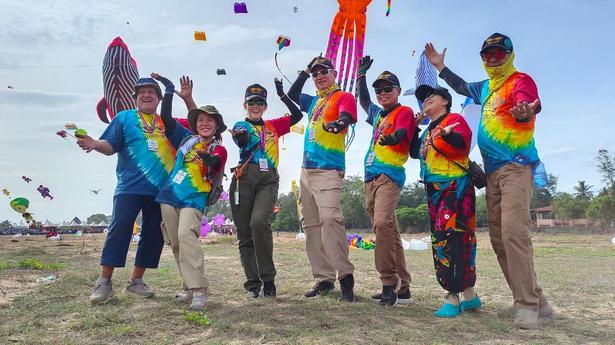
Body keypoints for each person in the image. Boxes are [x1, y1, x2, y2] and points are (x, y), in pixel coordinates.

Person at [425, 33, 552, 328]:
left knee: (513, 234)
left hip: (516, 167)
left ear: (510, 54)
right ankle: (539, 301)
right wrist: (440, 67)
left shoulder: (520, 80)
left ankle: (527, 306)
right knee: (498, 239)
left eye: (498, 53)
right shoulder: (486, 89)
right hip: (492, 172)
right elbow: (460, 86)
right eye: (487, 54)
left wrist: (525, 113)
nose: (493, 59)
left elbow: (527, 104)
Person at [78, 74, 187, 305]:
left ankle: (136, 281)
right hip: (129, 187)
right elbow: (110, 146)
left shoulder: (168, 123)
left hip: (161, 191)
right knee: (119, 229)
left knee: (153, 234)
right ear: (135, 98)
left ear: (159, 98)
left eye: (151, 92)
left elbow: (196, 136)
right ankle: (104, 282)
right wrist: (95, 144)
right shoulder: (124, 118)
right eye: (142, 92)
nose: (146, 95)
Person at [154, 74, 228, 311]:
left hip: (194, 198)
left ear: (216, 126)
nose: (205, 123)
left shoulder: (219, 147)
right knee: (176, 243)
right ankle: (187, 285)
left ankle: (199, 289)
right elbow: (165, 117)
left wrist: (210, 159)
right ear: (195, 124)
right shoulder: (186, 140)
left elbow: (217, 163)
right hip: (169, 195)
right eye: (201, 120)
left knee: (187, 236)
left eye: (210, 121)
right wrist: (168, 89)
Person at [288, 56, 357, 302]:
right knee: (311, 225)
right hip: (306, 171)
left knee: (331, 219)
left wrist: (338, 124)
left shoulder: (343, 96)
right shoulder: (315, 101)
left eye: (323, 72)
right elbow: (293, 92)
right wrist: (305, 71)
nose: (319, 77)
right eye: (315, 73)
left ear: (334, 72)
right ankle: (324, 279)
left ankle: (346, 278)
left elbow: (347, 116)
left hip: (329, 169)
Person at [410, 85, 481, 317]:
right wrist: (414, 126)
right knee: (448, 238)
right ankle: (468, 295)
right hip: (435, 189)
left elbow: (463, 143)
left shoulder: (454, 119)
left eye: (432, 96)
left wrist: (449, 134)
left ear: (446, 101)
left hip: (455, 186)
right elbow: (413, 152)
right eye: (423, 98)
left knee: (454, 239)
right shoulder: (427, 131)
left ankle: (454, 297)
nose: (426, 99)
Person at [228, 79, 303, 298]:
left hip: (268, 179)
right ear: (245, 105)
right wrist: (240, 138)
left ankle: (268, 279)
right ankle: (253, 284)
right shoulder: (241, 125)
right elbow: (241, 141)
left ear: (265, 106)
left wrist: (283, 96)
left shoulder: (273, 126)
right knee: (245, 233)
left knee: (259, 223)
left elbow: (297, 116)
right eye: (251, 102)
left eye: (260, 102)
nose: (255, 106)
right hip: (244, 178)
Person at [356, 56, 416, 306]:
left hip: (389, 175)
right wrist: (361, 76)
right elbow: (364, 102)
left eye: (388, 89)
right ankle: (404, 289)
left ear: (398, 91)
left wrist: (393, 139)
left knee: (381, 224)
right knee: (389, 230)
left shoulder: (404, 111)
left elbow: (403, 130)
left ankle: (389, 283)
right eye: (379, 90)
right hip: (370, 177)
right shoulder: (379, 115)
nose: (382, 93)